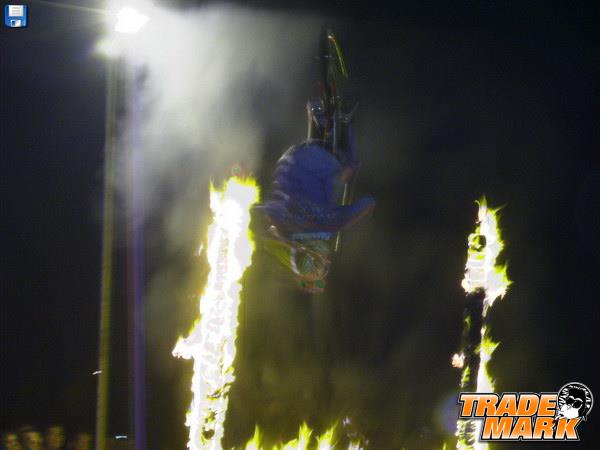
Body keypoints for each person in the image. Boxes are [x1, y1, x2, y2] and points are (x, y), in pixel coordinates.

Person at [256, 99, 374, 293]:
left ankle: (346, 121)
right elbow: (266, 215)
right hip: (290, 158)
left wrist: (354, 219)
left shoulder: (332, 224)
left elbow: (368, 202)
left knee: (351, 167)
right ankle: (315, 117)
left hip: (325, 160)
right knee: (325, 187)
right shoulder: (285, 228)